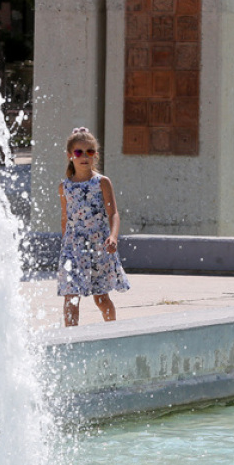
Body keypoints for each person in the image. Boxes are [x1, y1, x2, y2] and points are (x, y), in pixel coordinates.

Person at [57, 127, 130, 327]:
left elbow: (113, 213)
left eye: (89, 152)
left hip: (98, 246)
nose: (84, 156)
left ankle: (112, 331)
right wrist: (65, 245)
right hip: (72, 247)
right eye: (78, 152)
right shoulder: (65, 186)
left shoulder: (101, 182)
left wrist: (113, 237)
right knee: (71, 296)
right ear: (70, 155)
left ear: (95, 155)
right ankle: (71, 339)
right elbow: (65, 217)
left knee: (101, 298)